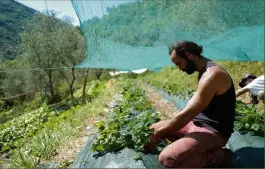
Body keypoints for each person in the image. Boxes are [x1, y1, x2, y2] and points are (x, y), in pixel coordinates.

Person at [145, 41, 235, 168]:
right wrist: (158, 131)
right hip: (196, 123)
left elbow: (187, 114)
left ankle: (220, 156)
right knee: (151, 129)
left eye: (178, 63)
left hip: (213, 131)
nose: (179, 68)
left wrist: (159, 134)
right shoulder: (204, 71)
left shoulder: (213, 75)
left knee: (167, 159)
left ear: (188, 55)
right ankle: (190, 149)